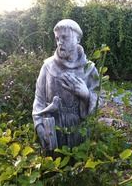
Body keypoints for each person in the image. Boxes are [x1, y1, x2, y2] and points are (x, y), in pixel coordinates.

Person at [32, 19, 100, 150]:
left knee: (78, 165)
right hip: (53, 129)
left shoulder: (89, 69)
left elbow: (99, 100)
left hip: (79, 131)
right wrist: (39, 125)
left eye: (64, 37)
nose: (60, 42)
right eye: (57, 38)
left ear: (78, 39)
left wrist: (86, 95)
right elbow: (39, 100)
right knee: (55, 165)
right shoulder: (48, 67)